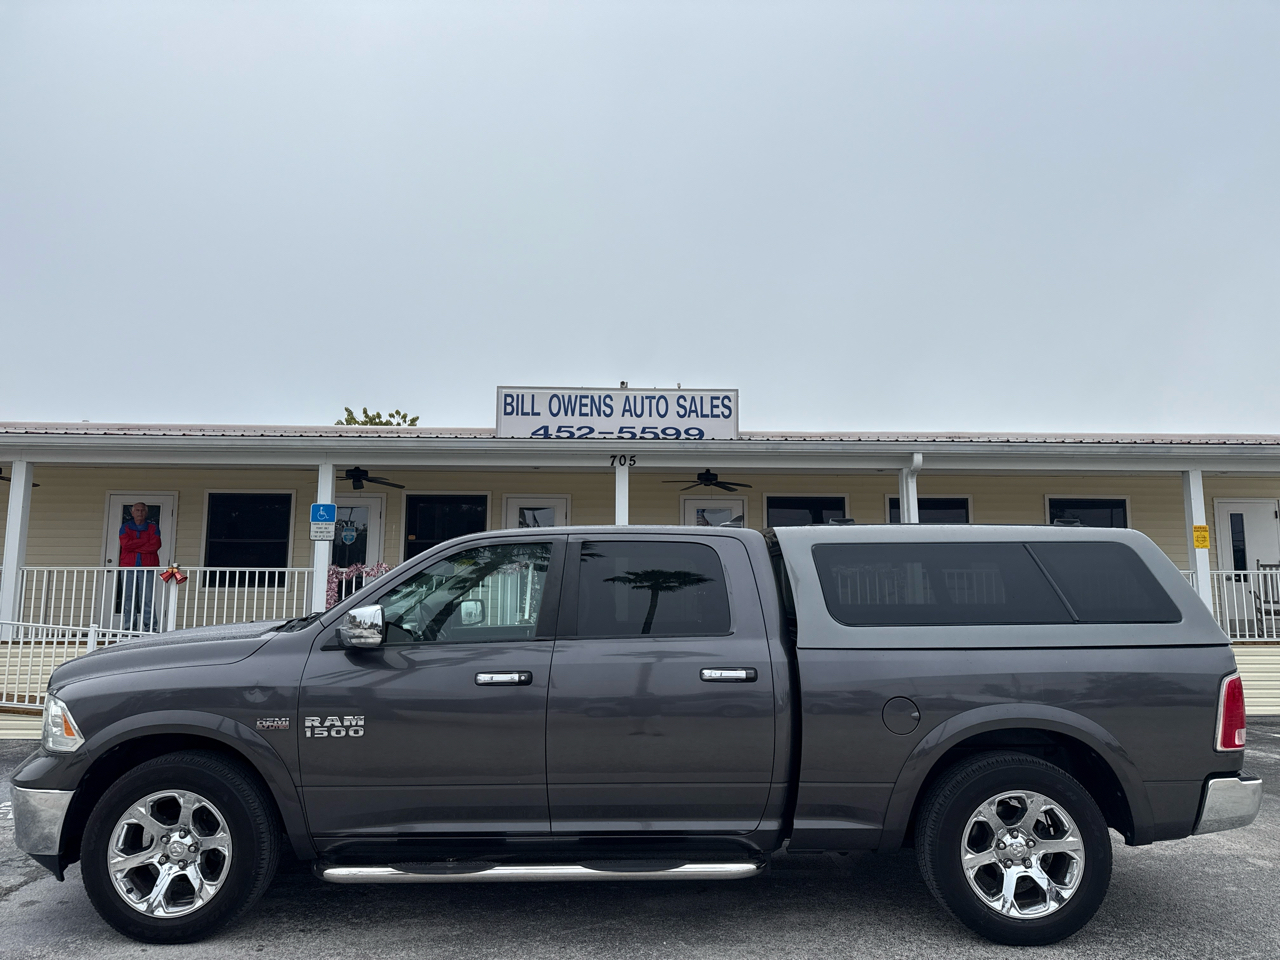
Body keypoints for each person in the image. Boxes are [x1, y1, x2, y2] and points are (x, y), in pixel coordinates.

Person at [119, 502, 161, 631]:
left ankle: (150, 628)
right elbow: (125, 545)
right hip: (128, 567)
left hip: (147, 567)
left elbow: (155, 545)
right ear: (132, 513)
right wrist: (144, 542)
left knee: (147, 598)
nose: (140, 512)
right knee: (128, 598)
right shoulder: (125, 527)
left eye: (142, 510)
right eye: (137, 510)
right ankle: (129, 628)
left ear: (146, 512)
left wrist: (135, 546)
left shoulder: (153, 528)